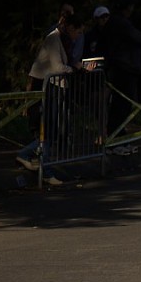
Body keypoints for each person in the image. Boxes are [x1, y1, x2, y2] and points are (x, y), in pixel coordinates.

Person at [16, 13, 85, 185]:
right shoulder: (54, 39)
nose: (78, 36)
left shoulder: (62, 39)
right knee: (48, 128)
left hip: (54, 86)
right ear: (70, 28)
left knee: (49, 129)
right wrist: (75, 68)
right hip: (48, 87)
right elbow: (57, 67)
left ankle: (28, 156)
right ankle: (43, 168)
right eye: (77, 32)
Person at [104, 0, 141, 155]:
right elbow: (140, 38)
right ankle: (115, 141)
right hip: (124, 69)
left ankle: (119, 138)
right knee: (120, 106)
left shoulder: (114, 23)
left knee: (120, 106)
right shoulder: (122, 24)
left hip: (120, 68)